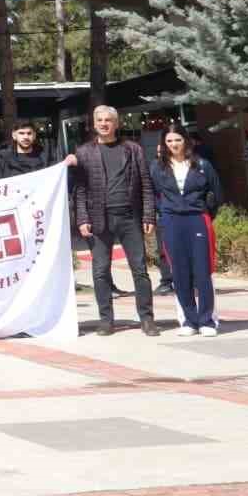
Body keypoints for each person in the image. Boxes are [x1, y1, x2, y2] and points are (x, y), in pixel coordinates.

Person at [72, 105, 158, 337]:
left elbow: (146, 183)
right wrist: (82, 218)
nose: (103, 124)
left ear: (116, 123)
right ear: (94, 123)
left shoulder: (133, 149)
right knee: (100, 271)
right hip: (99, 219)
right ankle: (106, 320)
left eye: (108, 120)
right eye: (99, 120)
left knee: (140, 269)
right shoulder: (84, 152)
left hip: (129, 217)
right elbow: (79, 190)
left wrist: (149, 214)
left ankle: (147, 319)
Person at [150, 124, 222, 336]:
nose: (174, 144)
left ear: (186, 141)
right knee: (179, 273)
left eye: (178, 140)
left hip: (197, 220)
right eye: (169, 141)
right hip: (171, 222)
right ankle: (189, 321)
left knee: (203, 271)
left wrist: (204, 212)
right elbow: (152, 194)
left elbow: (216, 193)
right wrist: (162, 211)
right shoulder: (157, 167)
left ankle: (207, 320)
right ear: (164, 144)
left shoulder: (202, 164)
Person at [0, 121, 74, 179]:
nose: (26, 137)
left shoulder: (45, 156)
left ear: (34, 135)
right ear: (14, 135)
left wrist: (66, 164)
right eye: (21, 133)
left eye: (29, 133)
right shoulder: (2, 158)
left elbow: (57, 175)